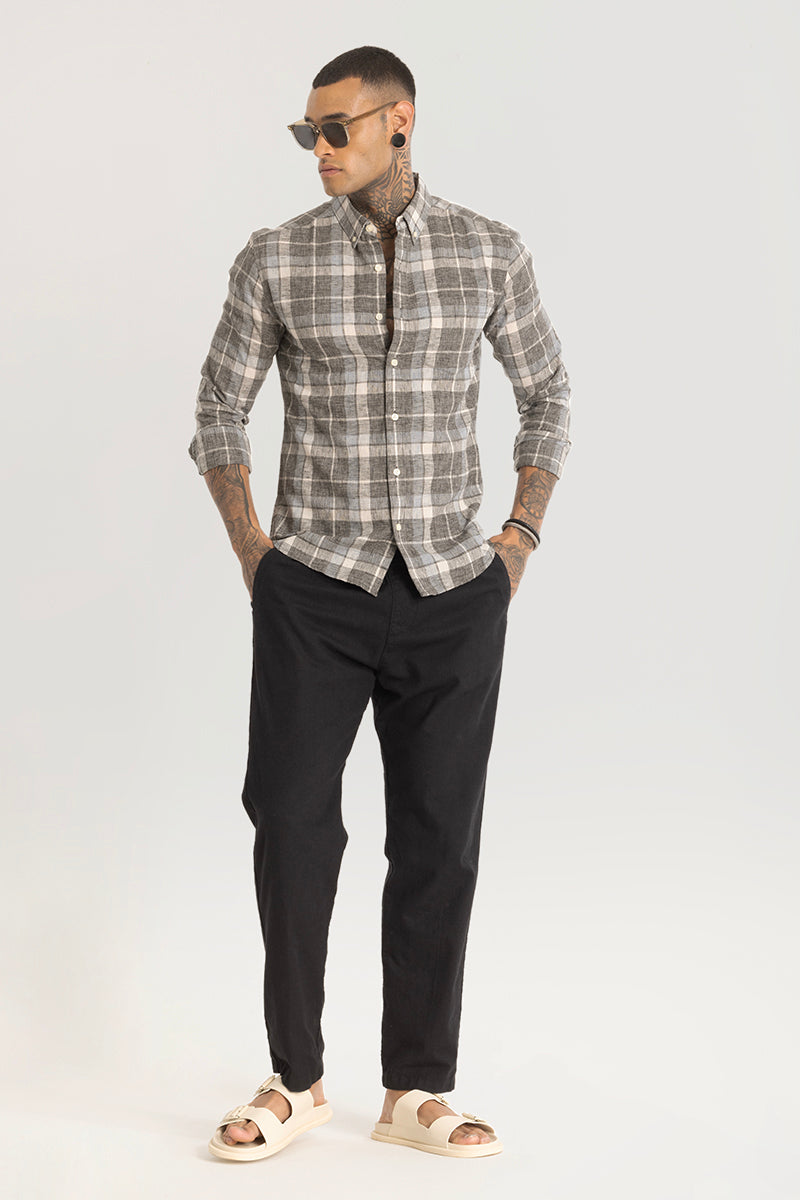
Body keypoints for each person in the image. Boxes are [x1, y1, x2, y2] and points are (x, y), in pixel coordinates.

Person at [191, 45, 571, 1162]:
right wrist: (255, 554)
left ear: (398, 121)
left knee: (440, 839)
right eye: (305, 133)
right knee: (291, 823)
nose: (317, 149)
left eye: (335, 129)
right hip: (316, 587)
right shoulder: (275, 257)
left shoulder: (490, 250)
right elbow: (217, 409)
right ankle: (297, 1079)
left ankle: (416, 1087)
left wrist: (518, 539)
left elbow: (547, 391)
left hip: (454, 588)